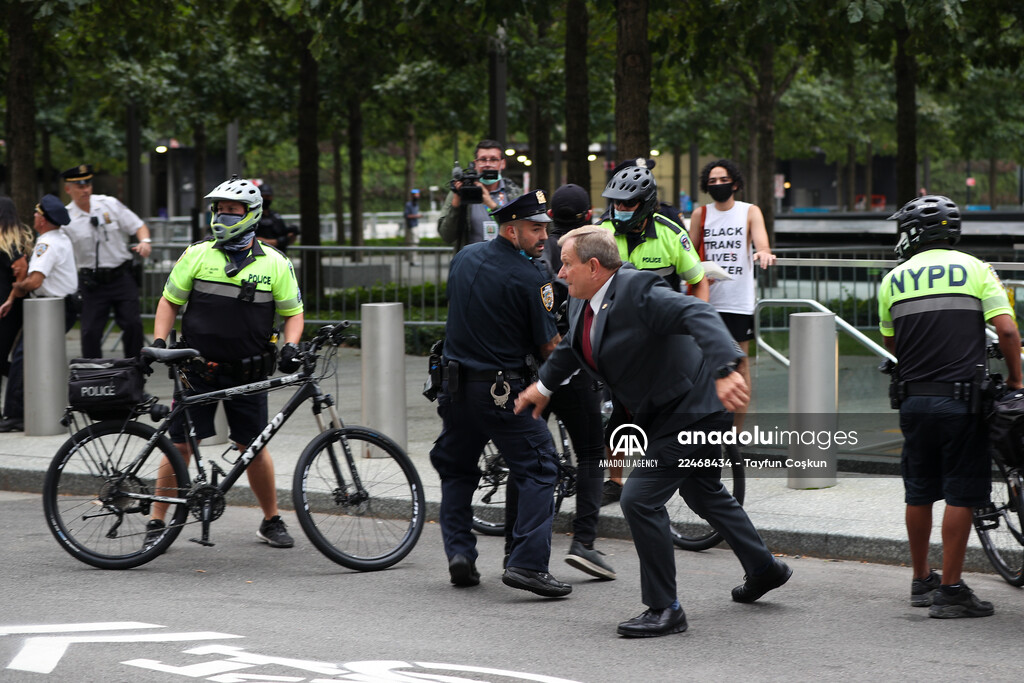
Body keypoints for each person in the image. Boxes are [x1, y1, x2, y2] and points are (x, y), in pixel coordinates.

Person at [515, 226, 790, 637]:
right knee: (703, 492)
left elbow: (697, 313)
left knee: (639, 499)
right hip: (662, 412)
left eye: (567, 263)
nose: (560, 272)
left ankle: (665, 608)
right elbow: (573, 347)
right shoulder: (582, 301)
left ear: (594, 266)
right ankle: (764, 568)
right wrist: (542, 387)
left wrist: (725, 369)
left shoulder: (636, 289)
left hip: (694, 409)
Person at [878, 194, 1021, 618]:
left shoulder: (892, 279)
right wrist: (1016, 379)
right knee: (962, 493)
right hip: (961, 402)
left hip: (913, 400)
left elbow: (892, 342)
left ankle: (921, 579)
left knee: (919, 491)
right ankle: (951, 591)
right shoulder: (976, 269)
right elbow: (1007, 331)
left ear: (916, 233)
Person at [145, 176, 304, 548]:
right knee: (180, 446)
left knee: (253, 447)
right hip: (196, 370)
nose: (223, 217)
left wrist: (291, 346)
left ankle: (271, 520)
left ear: (251, 214)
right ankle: (156, 520)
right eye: (219, 210)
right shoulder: (197, 254)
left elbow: (293, 313)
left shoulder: (275, 263)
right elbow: (169, 301)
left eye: (232, 210)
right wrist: (159, 342)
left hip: (248, 373)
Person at [429, 190, 571, 598]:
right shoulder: (532, 277)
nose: (544, 236)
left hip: (455, 389)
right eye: (535, 228)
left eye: (546, 228)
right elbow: (549, 346)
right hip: (502, 392)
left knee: (458, 470)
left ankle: (460, 554)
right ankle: (527, 564)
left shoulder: (465, 256)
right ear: (511, 231)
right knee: (541, 467)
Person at [598, 162, 710, 506]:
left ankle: (663, 475)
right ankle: (614, 481)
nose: (620, 208)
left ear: (645, 204)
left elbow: (699, 282)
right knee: (617, 413)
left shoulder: (671, 233)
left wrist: (693, 326)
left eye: (627, 203)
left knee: (665, 413)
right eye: (616, 202)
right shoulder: (601, 233)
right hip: (617, 341)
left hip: (661, 342)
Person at [530, 183, 614, 580]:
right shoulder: (586, 250)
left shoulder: (538, 249)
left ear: (550, 216)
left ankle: (518, 546)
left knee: (529, 457)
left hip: (537, 370)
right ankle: (584, 542)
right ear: (588, 215)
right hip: (573, 366)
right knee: (591, 452)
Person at [689, 159, 775, 429]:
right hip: (706, 302)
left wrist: (763, 252)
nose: (718, 185)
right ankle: (708, 428)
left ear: (735, 184)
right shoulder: (700, 214)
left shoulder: (749, 211)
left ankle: (736, 433)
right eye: (712, 181)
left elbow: (762, 244)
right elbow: (688, 253)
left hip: (738, 302)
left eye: (723, 180)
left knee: (740, 366)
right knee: (703, 367)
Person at [0, 195, 79, 432]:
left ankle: (15, 414)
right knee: (31, 357)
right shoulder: (58, 239)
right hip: (58, 307)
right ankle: (29, 409)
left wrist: (18, 287)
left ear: (43, 220)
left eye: (37, 214)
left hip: (51, 308)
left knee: (24, 358)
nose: (34, 217)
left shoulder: (47, 244)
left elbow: (34, 281)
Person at [61, 164, 152, 359]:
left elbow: (138, 225)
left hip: (121, 276)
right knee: (90, 331)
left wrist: (145, 241)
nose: (85, 190)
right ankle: (93, 374)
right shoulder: (66, 218)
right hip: (91, 283)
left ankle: (135, 371)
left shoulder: (108, 204)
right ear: (68, 189)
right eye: (80, 186)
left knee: (133, 325)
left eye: (88, 185)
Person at [437, 139, 522, 252]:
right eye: (482, 159)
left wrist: (491, 205)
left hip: (506, 261)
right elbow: (447, 236)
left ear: (502, 163)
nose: (488, 164)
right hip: (472, 261)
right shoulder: (461, 191)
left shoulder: (513, 193)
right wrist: (456, 204)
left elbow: (522, 233)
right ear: (475, 164)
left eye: (493, 159)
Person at [0, 198, 34, 400]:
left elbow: (21, 268)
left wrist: (11, 299)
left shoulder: (8, 241)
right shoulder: (16, 239)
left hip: (7, 308)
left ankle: (26, 383)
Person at [254, 183, 296, 254]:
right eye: (263, 196)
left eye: (267, 196)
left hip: (279, 255)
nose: (265, 199)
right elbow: (254, 240)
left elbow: (286, 240)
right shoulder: (253, 216)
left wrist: (291, 235)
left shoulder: (276, 216)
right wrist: (277, 242)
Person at [403, 189, 423, 265]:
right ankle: (413, 260)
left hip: (415, 225)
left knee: (415, 243)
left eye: (418, 194)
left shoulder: (416, 204)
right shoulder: (409, 204)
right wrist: (416, 216)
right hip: (412, 226)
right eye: (416, 195)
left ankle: (413, 259)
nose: (417, 196)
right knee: (414, 243)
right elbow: (406, 215)